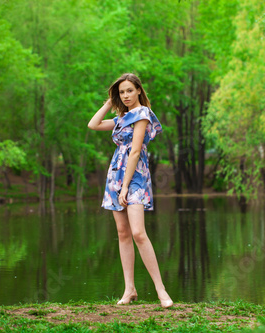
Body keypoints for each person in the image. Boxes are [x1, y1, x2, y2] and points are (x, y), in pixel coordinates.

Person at [88, 73, 173, 308]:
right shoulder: (121, 117)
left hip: (134, 176)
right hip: (116, 173)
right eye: (121, 92)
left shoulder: (142, 114)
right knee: (123, 233)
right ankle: (129, 289)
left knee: (138, 232)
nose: (125, 96)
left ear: (138, 91)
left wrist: (125, 186)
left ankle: (160, 289)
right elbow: (93, 124)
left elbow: (135, 151)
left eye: (129, 91)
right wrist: (109, 102)